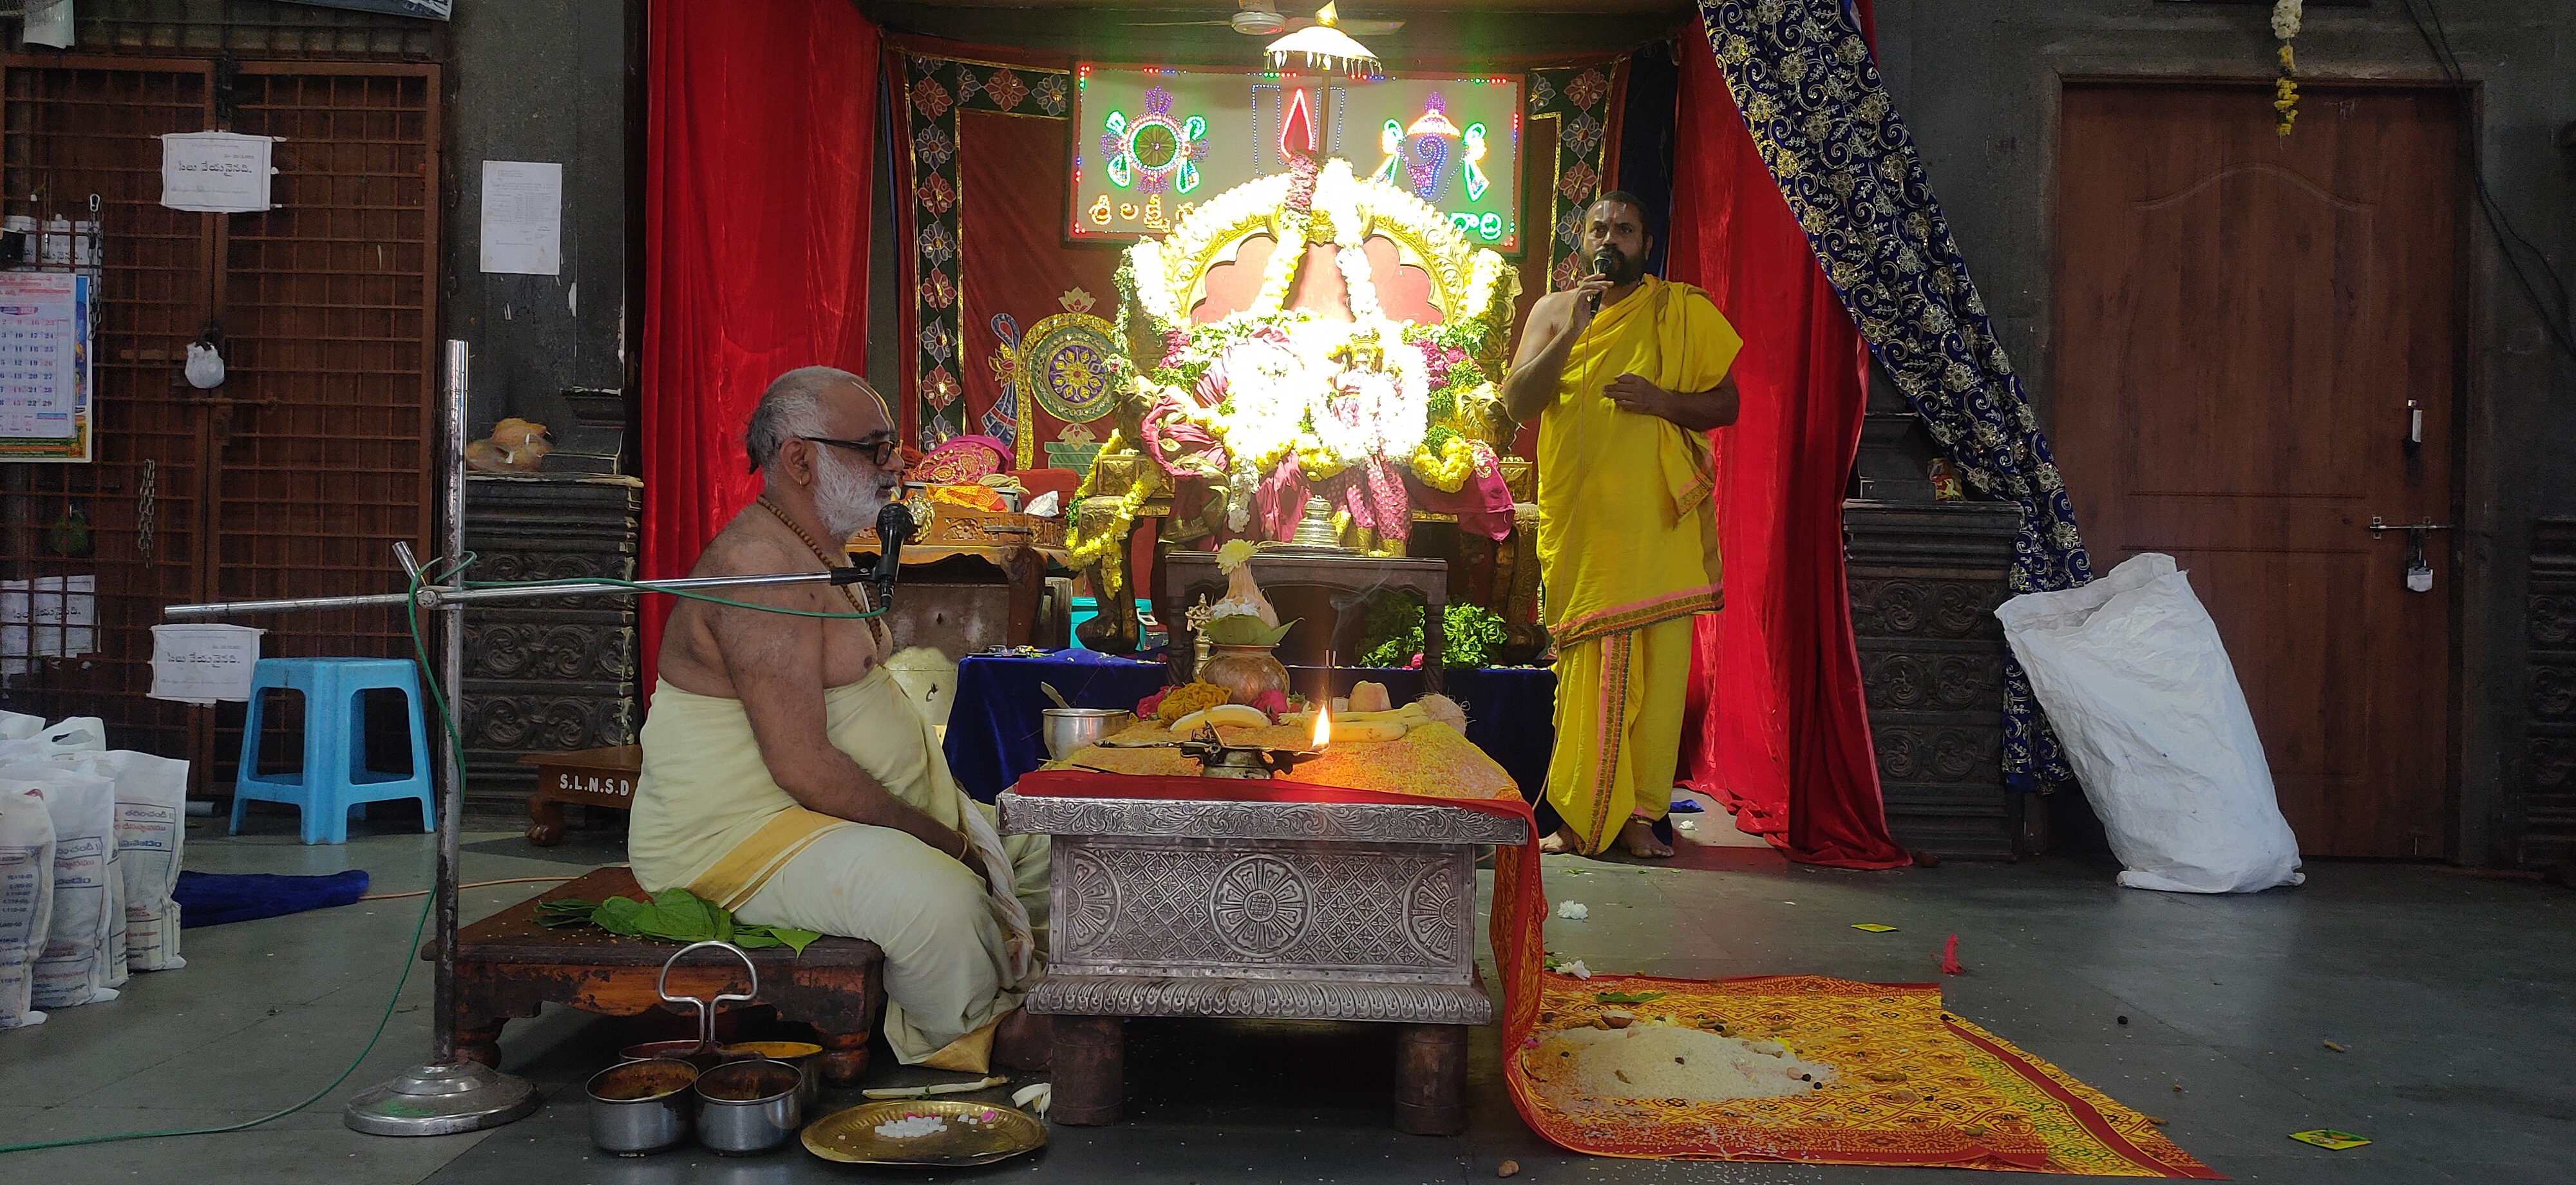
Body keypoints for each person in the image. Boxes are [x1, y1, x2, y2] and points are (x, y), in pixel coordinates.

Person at [630, 366, 1054, 1072]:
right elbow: (803, 768)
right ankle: (969, 1037)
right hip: (743, 834)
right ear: (799, 457)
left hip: (821, 812)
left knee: (1044, 853)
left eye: (891, 447)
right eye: (875, 448)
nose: (894, 467)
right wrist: (943, 843)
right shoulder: (758, 568)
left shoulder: (815, 545)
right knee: (941, 902)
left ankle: (1061, 992)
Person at [1500, 193, 1742, 859]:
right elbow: (1519, 404)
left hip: (1656, 525)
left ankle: (1638, 818)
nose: (1611, 238)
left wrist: (1662, 401)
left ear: (1646, 241)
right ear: (1578, 240)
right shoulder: (1555, 312)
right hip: (1585, 525)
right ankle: (1579, 816)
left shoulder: (1678, 310)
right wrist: (1575, 330)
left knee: (1661, 674)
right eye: (1598, 227)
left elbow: (1728, 403)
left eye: (1625, 229)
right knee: (1589, 668)